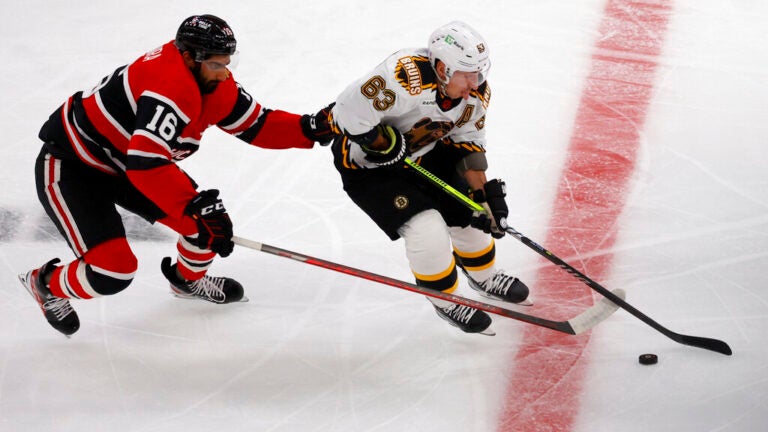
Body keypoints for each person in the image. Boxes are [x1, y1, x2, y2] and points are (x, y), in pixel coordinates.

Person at [18, 14, 334, 337]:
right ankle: (45, 285)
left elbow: (258, 125)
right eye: (215, 64)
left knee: (203, 226)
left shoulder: (213, 81)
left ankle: (186, 281)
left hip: (127, 163)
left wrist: (309, 129)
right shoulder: (169, 86)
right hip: (73, 166)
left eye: (227, 63)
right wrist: (196, 204)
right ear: (188, 58)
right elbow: (146, 165)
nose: (224, 73)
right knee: (113, 272)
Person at [317, 21, 531, 335]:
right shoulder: (403, 78)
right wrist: (382, 144)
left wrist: (484, 195)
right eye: (467, 74)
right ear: (443, 68)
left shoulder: (476, 92)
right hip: (369, 168)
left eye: (479, 73)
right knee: (426, 227)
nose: (475, 83)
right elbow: (348, 112)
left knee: (471, 212)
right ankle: (445, 299)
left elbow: (468, 142)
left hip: (424, 150)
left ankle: (484, 277)